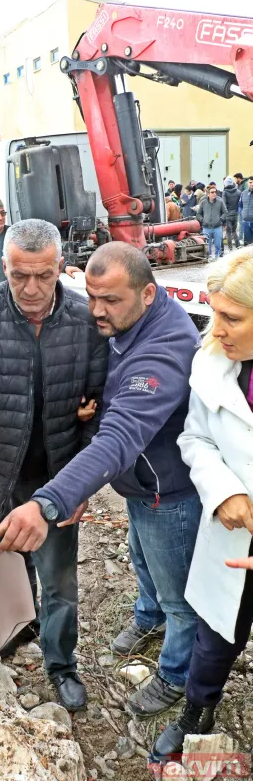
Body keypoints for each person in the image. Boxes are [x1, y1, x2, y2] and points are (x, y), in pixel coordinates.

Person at [0, 243, 203, 718]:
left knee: (179, 593)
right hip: (140, 482)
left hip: (166, 492)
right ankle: (148, 619)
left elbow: (121, 436)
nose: (96, 312)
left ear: (148, 294)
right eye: (91, 297)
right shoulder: (131, 322)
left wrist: (51, 501)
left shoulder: (164, 351)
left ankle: (176, 673)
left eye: (110, 301)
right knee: (144, 560)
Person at [0, 218, 109, 711]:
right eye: (18, 276)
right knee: (6, 563)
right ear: (2, 266)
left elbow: (101, 404)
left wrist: (80, 483)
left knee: (59, 579)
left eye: (44, 276)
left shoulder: (83, 319)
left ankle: (60, 662)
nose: (31, 289)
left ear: (60, 268)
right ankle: (15, 627)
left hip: (58, 476)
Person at [150, 248, 253, 766]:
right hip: (234, 535)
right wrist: (223, 491)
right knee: (215, 632)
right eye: (214, 313)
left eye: (231, 318)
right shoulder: (212, 361)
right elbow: (195, 438)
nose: (216, 329)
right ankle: (198, 708)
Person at [197, 187, 227, 259]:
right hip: (206, 228)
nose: (214, 194)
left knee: (218, 244)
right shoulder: (203, 203)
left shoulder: (220, 201)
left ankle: (217, 257)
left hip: (217, 227)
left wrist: (220, 220)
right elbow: (198, 214)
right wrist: (202, 220)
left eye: (215, 192)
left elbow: (225, 212)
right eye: (212, 192)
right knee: (207, 244)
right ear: (208, 194)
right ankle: (209, 257)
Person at [222, 175, 241, 250]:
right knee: (234, 231)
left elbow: (224, 204)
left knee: (228, 232)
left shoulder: (225, 192)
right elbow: (240, 203)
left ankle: (230, 249)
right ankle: (238, 246)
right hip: (236, 214)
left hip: (228, 215)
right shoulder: (238, 192)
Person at [239, 176, 253, 246]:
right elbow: (240, 206)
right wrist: (243, 215)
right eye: (250, 182)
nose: (252, 184)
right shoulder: (243, 193)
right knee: (248, 245)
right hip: (246, 222)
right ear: (248, 183)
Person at [234, 173, 247, 242]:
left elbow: (246, 194)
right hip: (240, 206)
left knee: (245, 222)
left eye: (236, 178)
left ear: (239, 178)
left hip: (244, 206)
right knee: (241, 222)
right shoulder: (238, 185)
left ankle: (246, 237)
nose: (235, 180)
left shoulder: (245, 184)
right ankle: (241, 237)